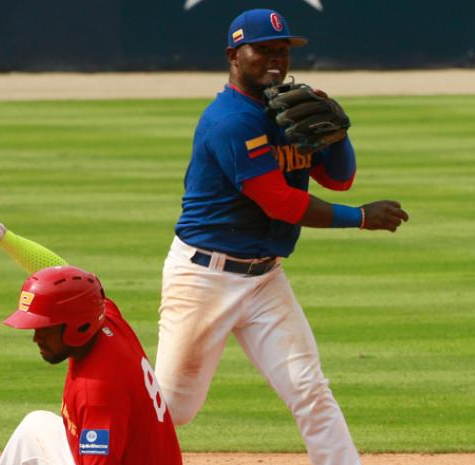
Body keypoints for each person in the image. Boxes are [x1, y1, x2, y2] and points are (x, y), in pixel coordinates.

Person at [154, 9, 409, 465]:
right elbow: (280, 203)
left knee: (309, 389)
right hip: (203, 279)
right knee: (173, 408)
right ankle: (84, 445)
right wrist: (361, 218)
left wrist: (337, 136)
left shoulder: (288, 108)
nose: (276, 59)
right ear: (234, 55)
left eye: (282, 51)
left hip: (265, 279)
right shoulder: (230, 121)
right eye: (263, 50)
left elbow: (339, 179)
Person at [0, 201, 182, 465]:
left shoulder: (97, 392)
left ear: (76, 326)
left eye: (44, 328)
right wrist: (2, 236)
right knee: (34, 428)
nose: (36, 337)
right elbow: (63, 277)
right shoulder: (104, 317)